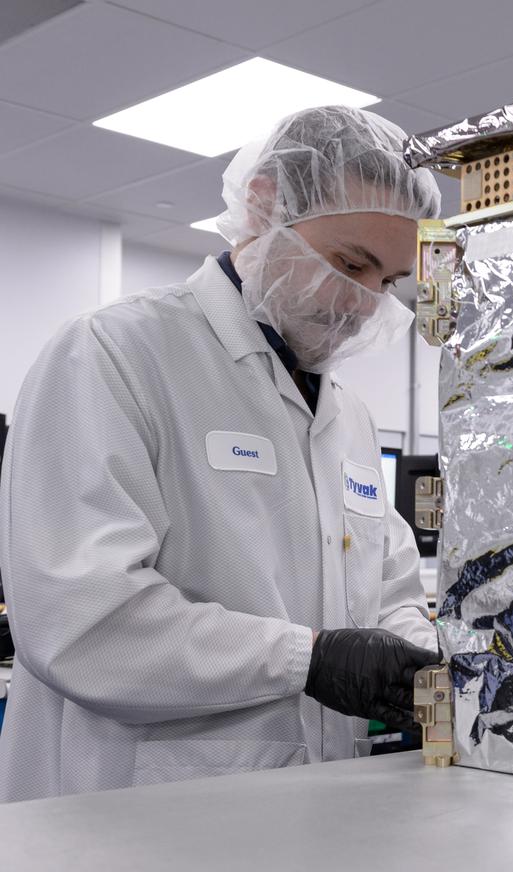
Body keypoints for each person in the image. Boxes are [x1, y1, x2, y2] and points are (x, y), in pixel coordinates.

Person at [0, 106, 443, 802]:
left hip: (325, 808)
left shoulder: (349, 416)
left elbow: (389, 590)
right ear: (266, 205)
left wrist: (415, 661)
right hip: (134, 812)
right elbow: (79, 621)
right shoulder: (116, 354)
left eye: (386, 283)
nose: (364, 305)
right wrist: (309, 658)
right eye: (350, 263)